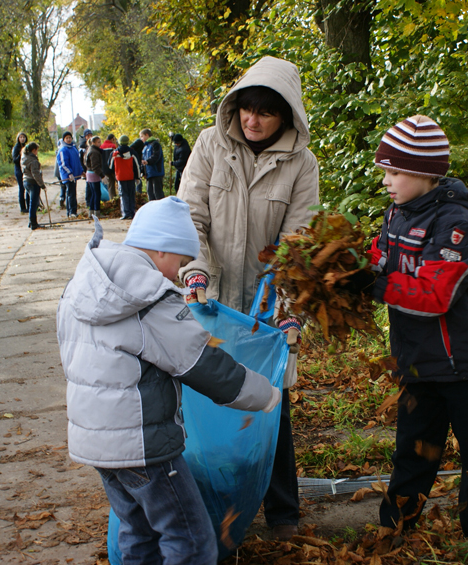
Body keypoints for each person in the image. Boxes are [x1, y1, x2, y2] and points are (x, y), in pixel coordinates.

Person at [57, 196, 281, 565]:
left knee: (138, 533)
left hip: (96, 441)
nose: (176, 274)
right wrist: (266, 394)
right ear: (161, 249)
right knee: (190, 540)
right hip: (143, 446)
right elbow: (203, 364)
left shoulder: (85, 283)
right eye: (179, 262)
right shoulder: (149, 297)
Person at [177, 56, 319, 541]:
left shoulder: (301, 164)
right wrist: (194, 275)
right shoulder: (211, 146)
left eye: (265, 113)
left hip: (261, 312)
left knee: (268, 404)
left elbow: (298, 243)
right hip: (209, 302)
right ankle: (205, 505)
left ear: (286, 117)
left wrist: (287, 311)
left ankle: (283, 515)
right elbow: (190, 217)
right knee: (200, 405)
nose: (252, 121)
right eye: (246, 110)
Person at [370, 115, 468, 537]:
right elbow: (381, 260)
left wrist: (374, 285)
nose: (386, 181)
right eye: (384, 172)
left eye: (393, 171)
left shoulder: (458, 226)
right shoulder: (395, 215)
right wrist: (349, 267)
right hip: (417, 363)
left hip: (462, 364)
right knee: (412, 449)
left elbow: (434, 296)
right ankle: (397, 527)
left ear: (425, 173)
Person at [110, 135, 141, 220]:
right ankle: (132, 212)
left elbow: (110, 166)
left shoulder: (115, 153)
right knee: (131, 194)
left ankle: (125, 213)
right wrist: (138, 177)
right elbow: (137, 166)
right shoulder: (132, 152)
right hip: (130, 177)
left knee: (123, 195)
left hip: (120, 177)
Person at [56, 131, 84, 217]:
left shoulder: (73, 148)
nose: (68, 139)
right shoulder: (63, 150)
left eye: (70, 138)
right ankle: (71, 212)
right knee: (70, 194)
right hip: (68, 176)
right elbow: (63, 164)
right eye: (66, 138)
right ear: (64, 139)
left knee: (73, 193)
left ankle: (73, 211)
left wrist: (81, 171)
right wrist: (69, 173)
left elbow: (78, 162)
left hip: (74, 175)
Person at [20, 141, 45, 230]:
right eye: (36, 150)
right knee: (33, 203)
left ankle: (31, 222)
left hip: (26, 181)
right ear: (34, 150)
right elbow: (35, 174)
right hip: (33, 182)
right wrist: (41, 184)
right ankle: (34, 223)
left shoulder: (24, 158)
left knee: (31, 201)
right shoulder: (33, 160)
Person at [141, 128, 164, 201]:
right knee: (150, 193)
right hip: (149, 174)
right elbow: (143, 160)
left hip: (156, 172)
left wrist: (148, 161)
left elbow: (156, 156)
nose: (141, 138)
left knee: (158, 193)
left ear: (147, 135)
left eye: (141, 136)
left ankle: (162, 210)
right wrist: (143, 172)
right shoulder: (145, 147)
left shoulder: (155, 144)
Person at [85, 136, 104, 218]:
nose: (100, 144)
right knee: (97, 193)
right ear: (93, 143)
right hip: (93, 174)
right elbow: (95, 166)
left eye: (100, 142)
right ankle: (97, 212)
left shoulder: (90, 149)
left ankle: (91, 212)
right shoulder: (94, 152)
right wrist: (102, 175)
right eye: (98, 142)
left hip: (90, 173)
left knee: (93, 193)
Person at [12, 132, 29, 214]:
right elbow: (14, 160)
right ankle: (23, 207)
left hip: (26, 170)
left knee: (28, 188)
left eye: (23, 137)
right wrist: (20, 154)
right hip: (19, 170)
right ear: (18, 138)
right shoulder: (16, 148)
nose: (22, 139)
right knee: (22, 188)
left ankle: (29, 206)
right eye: (21, 137)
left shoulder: (26, 146)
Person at [100, 134, 119, 199]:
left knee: (110, 185)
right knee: (119, 183)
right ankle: (120, 198)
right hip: (113, 168)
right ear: (112, 139)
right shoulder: (113, 146)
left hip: (105, 169)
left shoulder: (101, 147)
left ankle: (112, 199)